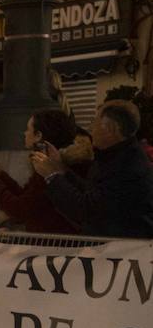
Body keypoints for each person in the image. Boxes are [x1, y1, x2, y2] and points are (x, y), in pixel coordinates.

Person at [34, 100, 153, 238]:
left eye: (94, 123)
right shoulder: (114, 156)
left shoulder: (128, 167)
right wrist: (61, 169)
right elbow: (91, 191)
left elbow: (85, 210)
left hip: (123, 252)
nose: (90, 129)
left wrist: (51, 176)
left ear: (110, 129)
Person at [0, 108, 81, 233]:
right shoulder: (48, 163)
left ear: (38, 135)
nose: (24, 133)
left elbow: (20, 210)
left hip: (53, 243)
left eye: (28, 129)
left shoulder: (49, 167)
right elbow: (26, 198)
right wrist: (0, 175)